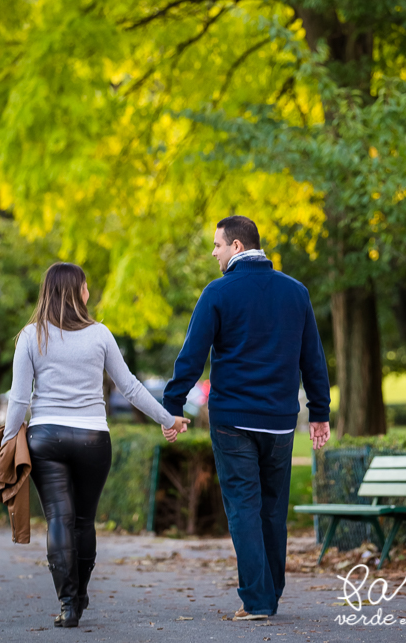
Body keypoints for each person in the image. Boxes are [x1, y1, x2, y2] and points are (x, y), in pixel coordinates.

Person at [162, 216, 331, 621]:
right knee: (272, 509)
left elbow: (192, 355)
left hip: (233, 419)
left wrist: (172, 404)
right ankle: (270, 593)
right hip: (279, 421)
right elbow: (314, 358)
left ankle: (257, 600)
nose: (214, 253)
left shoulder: (218, 293)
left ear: (237, 247)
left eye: (218, 245)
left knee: (243, 508)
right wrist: (319, 412)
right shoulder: (296, 292)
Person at [2, 262, 188, 628]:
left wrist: (8, 441)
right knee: (84, 521)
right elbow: (130, 387)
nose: (88, 292)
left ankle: (68, 603)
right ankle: (80, 593)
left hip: (46, 438)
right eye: (86, 286)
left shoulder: (30, 336)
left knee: (59, 518)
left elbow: (19, 400)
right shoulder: (100, 334)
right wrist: (168, 419)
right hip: (92, 438)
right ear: (77, 292)